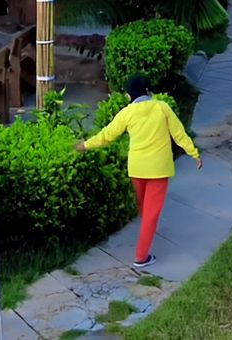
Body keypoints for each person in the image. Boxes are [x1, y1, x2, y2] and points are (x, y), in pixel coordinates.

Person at [76, 74, 202, 269]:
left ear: (130, 95)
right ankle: (141, 256)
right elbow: (179, 134)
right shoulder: (162, 107)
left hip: (137, 168)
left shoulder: (128, 113)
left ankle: (144, 237)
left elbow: (107, 136)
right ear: (147, 91)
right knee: (151, 215)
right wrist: (194, 153)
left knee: (144, 211)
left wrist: (85, 145)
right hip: (158, 170)